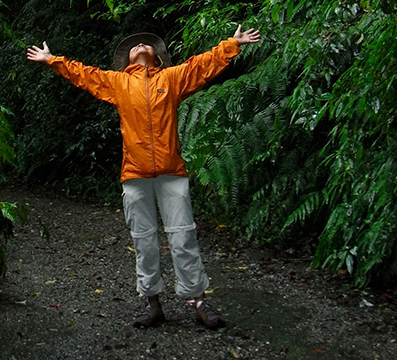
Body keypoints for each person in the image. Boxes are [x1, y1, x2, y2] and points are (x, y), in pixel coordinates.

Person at [25, 24, 261, 329]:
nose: (139, 45)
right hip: (134, 174)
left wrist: (233, 44)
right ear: (127, 60)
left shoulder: (172, 78)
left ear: (156, 55)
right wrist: (52, 60)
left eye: (145, 44)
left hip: (171, 171)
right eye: (134, 46)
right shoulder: (118, 83)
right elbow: (85, 75)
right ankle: (152, 303)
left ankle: (199, 301)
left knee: (183, 235)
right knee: (144, 240)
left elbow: (203, 64)